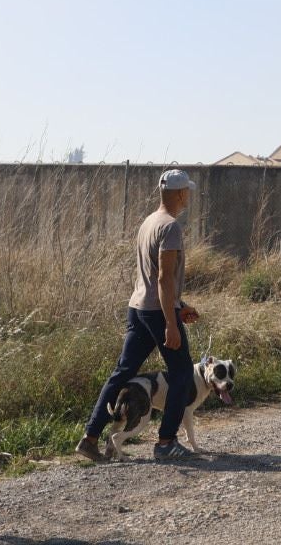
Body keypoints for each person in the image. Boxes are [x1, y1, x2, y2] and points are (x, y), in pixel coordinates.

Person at [77, 169, 204, 462]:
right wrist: (171, 322)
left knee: (122, 372)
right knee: (183, 374)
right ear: (181, 194)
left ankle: (90, 437)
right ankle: (166, 442)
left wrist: (179, 304)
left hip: (138, 307)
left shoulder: (148, 222)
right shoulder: (171, 227)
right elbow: (162, 278)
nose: (189, 197)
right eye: (187, 192)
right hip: (158, 312)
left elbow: (151, 278)